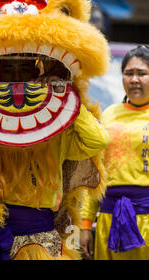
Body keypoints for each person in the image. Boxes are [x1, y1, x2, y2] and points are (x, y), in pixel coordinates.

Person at [80, 45, 149, 260]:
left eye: (142, 73)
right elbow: (97, 171)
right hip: (108, 220)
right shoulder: (109, 115)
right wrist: (85, 223)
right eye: (129, 73)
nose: (134, 79)